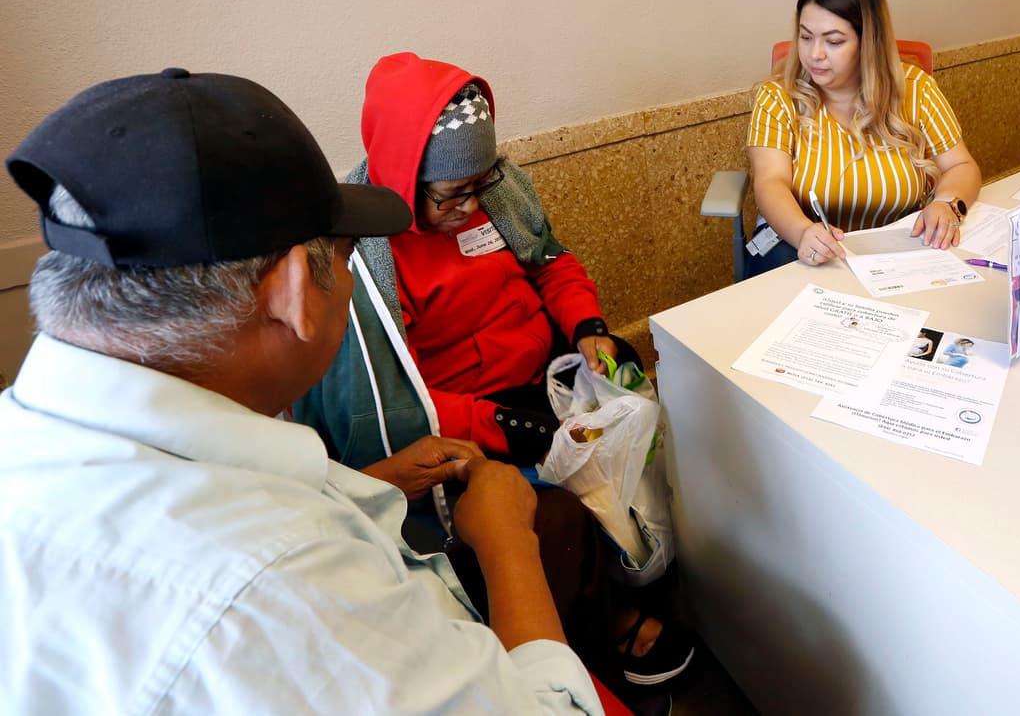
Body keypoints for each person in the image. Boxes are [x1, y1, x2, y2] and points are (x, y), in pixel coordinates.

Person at [0, 68, 605, 714]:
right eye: (345, 259)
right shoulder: (284, 586)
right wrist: (508, 540)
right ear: (292, 294)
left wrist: (370, 481)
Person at [295, 53, 693, 689]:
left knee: (637, 418)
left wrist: (587, 327)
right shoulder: (369, 256)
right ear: (402, 179)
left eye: (480, 186)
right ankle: (596, 636)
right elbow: (401, 395)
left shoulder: (496, 195)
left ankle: (636, 570)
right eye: (453, 195)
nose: (471, 206)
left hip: (546, 372)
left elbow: (552, 263)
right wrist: (504, 425)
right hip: (464, 412)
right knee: (561, 506)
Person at [744, 0, 981, 278]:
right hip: (800, 251)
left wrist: (947, 205)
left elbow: (961, 166)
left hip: (894, 257)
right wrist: (802, 231)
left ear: (868, 42)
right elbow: (769, 182)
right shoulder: (777, 96)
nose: (814, 54)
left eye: (834, 41)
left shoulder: (916, 89)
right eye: (805, 36)